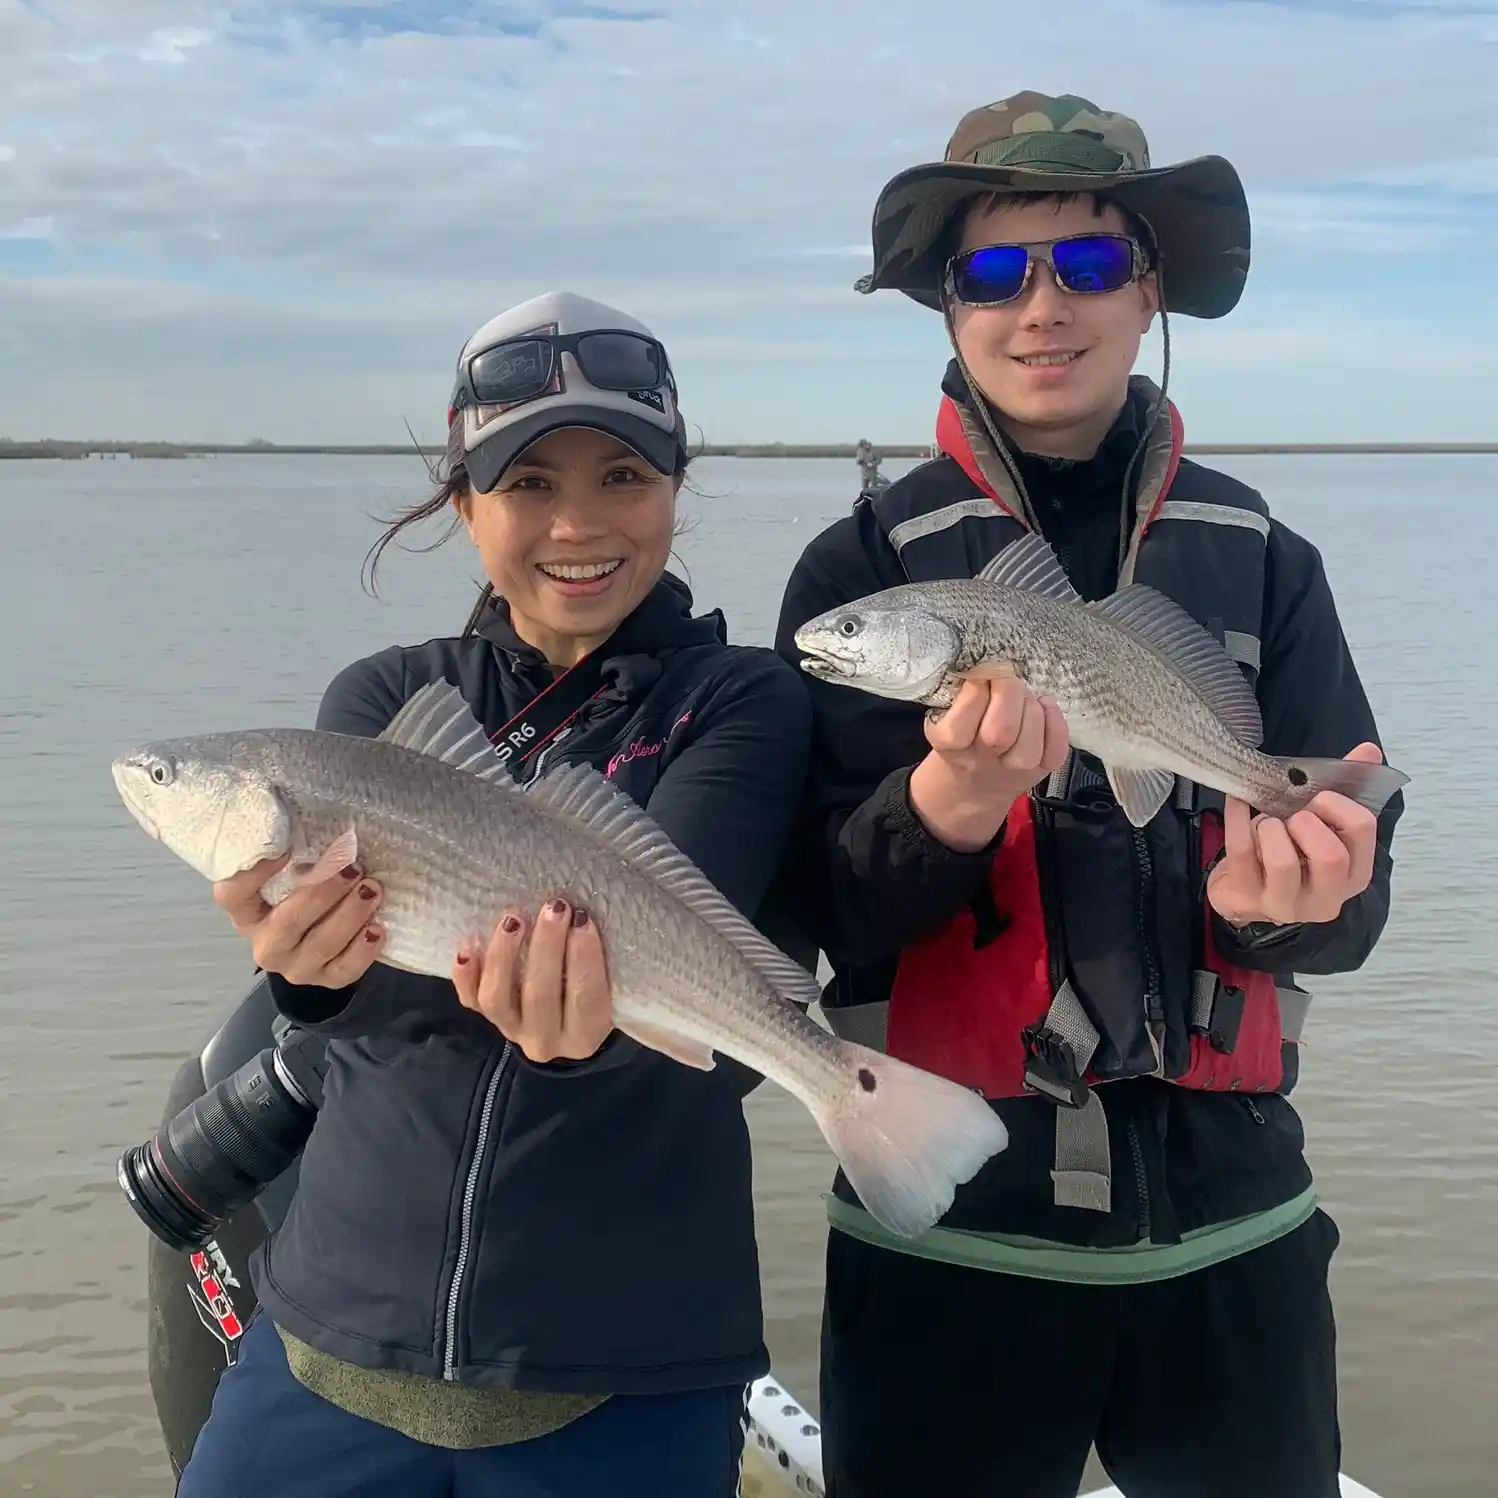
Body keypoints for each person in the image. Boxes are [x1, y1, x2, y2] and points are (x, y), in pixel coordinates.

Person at [774, 92, 1405, 1498]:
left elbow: (1353, 902)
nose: (1039, 307)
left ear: (1148, 289)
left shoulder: (1264, 559)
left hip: (1233, 1233)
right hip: (949, 1241)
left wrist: (1293, 908)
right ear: (946, 306)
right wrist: (939, 806)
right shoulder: (856, 575)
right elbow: (799, 917)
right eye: (993, 272)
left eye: (1086, 265)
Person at [173, 289, 812, 1498]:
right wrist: (308, 983)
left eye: (624, 474)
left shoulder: (742, 700)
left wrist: (582, 1036)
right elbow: (368, 1016)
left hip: (626, 1361)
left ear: (677, 489)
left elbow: (684, 963)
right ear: (463, 504)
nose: (578, 522)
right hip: (329, 1339)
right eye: (526, 485)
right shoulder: (380, 699)